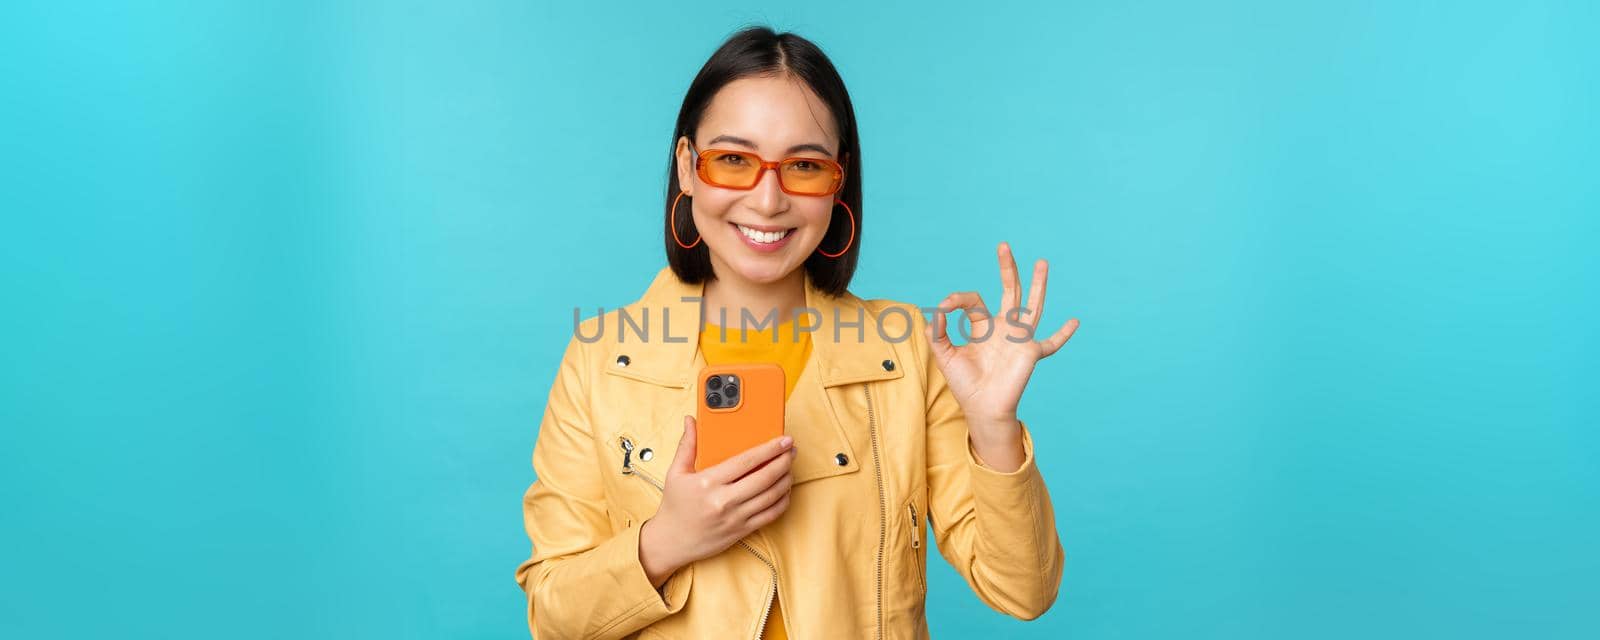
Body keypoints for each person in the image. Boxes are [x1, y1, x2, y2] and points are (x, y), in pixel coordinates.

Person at [514, 25, 1080, 640]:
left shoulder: (909, 354)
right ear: (687, 168)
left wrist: (994, 431)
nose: (767, 199)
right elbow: (553, 615)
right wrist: (665, 542)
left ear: (838, 183)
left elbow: (1023, 592)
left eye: (804, 166)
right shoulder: (600, 360)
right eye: (734, 160)